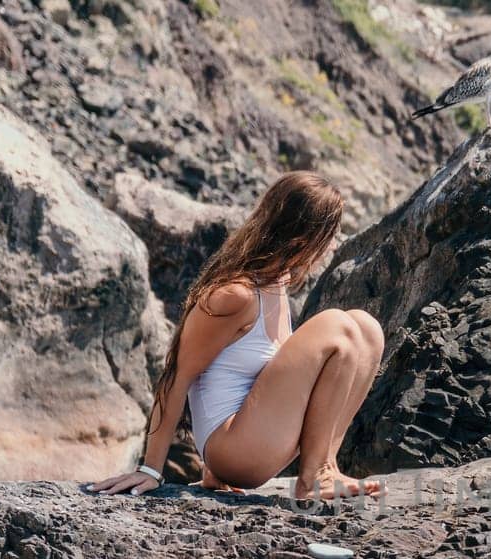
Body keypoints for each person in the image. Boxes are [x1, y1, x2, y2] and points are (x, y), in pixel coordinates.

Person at [91, 172, 386, 501]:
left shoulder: (276, 283)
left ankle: (325, 466)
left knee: (368, 329)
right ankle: (314, 476)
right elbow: (177, 374)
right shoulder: (235, 294)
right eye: (329, 235)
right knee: (337, 324)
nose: (331, 245)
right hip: (233, 450)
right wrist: (150, 469)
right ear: (303, 237)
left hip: (256, 445)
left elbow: (256, 381)